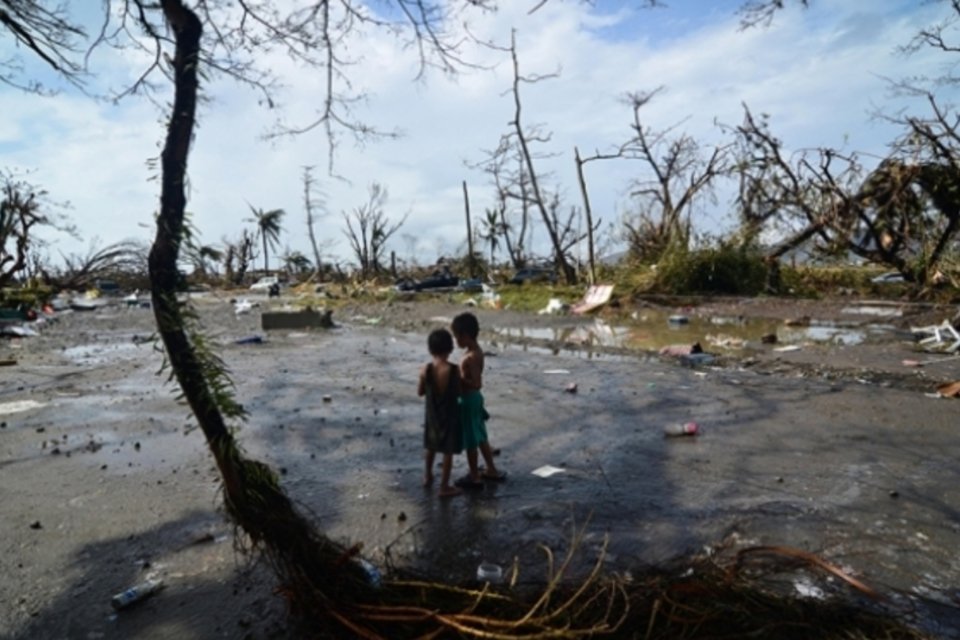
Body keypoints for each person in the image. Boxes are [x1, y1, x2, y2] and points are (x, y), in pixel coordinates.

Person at [451, 312, 506, 489]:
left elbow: (476, 383)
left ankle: (474, 476)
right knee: (480, 435)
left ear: (465, 336)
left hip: (469, 399)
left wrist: (458, 380)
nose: (455, 341)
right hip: (474, 400)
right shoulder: (477, 351)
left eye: (456, 337)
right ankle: (491, 470)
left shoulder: (470, 358)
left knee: (471, 440)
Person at [418, 328, 463, 498]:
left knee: (431, 447)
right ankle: (444, 486)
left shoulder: (425, 370)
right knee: (447, 452)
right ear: (450, 349)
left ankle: (428, 475)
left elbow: (420, 392)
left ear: (430, 350)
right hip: (450, 416)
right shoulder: (454, 370)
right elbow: (458, 392)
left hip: (432, 417)